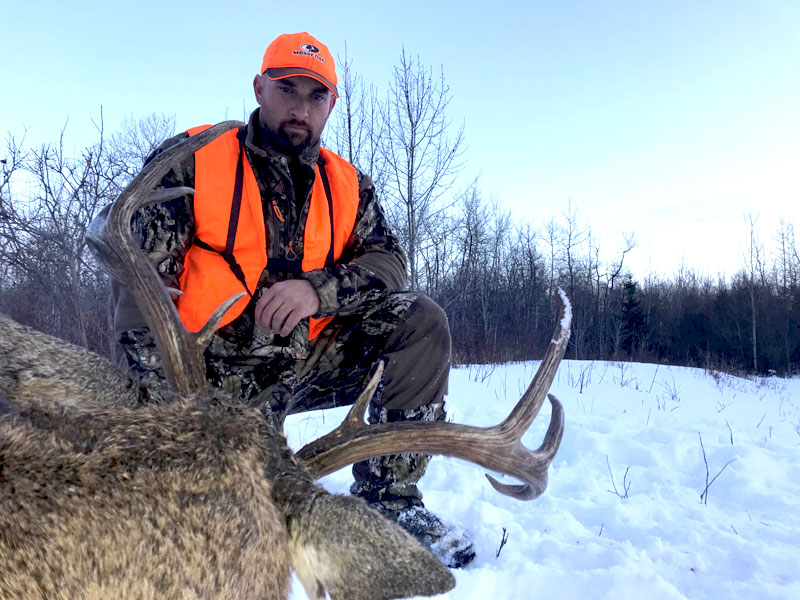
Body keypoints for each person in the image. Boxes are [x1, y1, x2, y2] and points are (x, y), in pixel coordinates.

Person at [104, 32, 475, 568]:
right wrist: (165, 404)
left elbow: (389, 263)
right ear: (259, 88)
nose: (300, 109)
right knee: (216, 523)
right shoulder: (193, 161)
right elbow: (138, 279)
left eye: (315, 96)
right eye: (287, 89)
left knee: (419, 321)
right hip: (209, 378)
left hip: (310, 361)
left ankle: (390, 501)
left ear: (332, 104)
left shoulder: (348, 184)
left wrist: (317, 292)